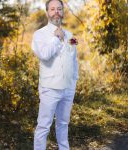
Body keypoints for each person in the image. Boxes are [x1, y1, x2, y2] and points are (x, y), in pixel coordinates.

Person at [31, 0, 79, 149]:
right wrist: (56, 38)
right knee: (44, 126)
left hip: (68, 88)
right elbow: (44, 55)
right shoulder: (39, 34)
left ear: (63, 11)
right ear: (47, 12)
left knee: (63, 123)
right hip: (49, 88)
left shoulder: (71, 35)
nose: (56, 12)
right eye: (52, 9)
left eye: (59, 8)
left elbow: (74, 58)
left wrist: (74, 80)